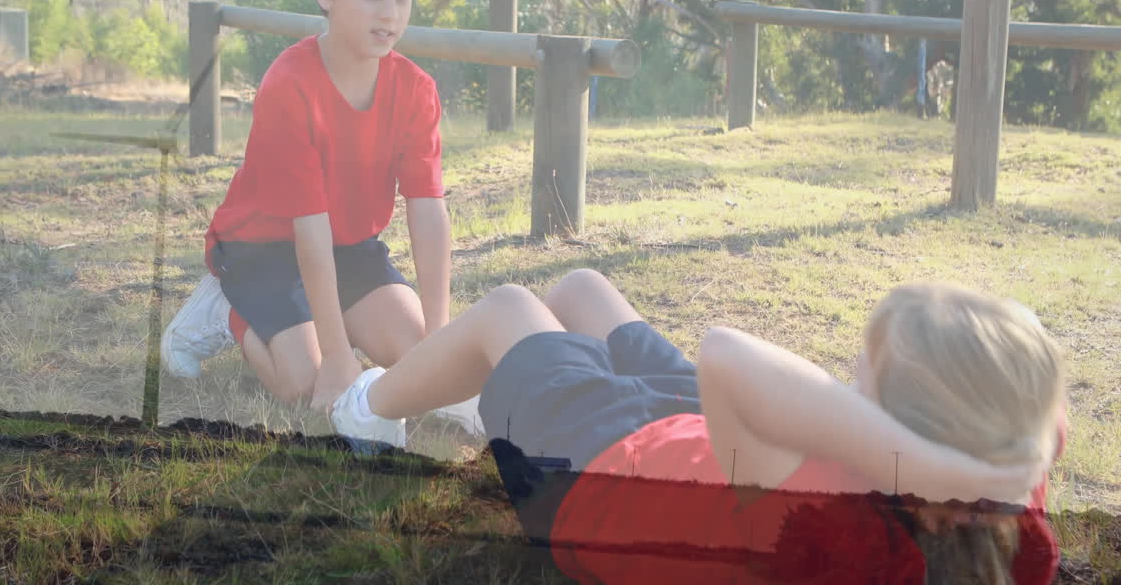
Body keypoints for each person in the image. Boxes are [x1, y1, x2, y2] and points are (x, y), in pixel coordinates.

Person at [329, 269, 1065, 584]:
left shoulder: (821, 519)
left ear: (907, 443)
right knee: (584, 291)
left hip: (595, 478)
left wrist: (927, 462)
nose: (844, 382)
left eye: (859, 377)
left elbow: (727, 354)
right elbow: (1036, 405)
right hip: (697, 441)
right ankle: (516, 383)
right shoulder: (1005, 511)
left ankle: (365, 405)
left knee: (510, 309)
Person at [163, 0, 478, 433]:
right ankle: (225, 310)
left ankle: (330, 327)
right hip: (264, 246)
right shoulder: (290, 85)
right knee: (305, 379)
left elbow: (428, 213)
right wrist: (336, 357)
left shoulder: (416, 90)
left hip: (350, 246)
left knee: (414, 353)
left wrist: (439, 340)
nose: (390, 14)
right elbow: (308, 231)